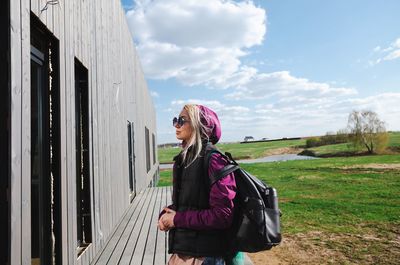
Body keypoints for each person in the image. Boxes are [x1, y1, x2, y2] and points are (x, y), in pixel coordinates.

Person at [158, 104, 239, 265]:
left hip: (205, 256)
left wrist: (177, 219)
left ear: (199, 125)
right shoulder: (184, 160)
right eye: (175, 120)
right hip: (185, 252)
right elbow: (193, 203)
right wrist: (168, 213)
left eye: (182, 120)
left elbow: (222, 215)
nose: (176, 125)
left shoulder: (214, 160)